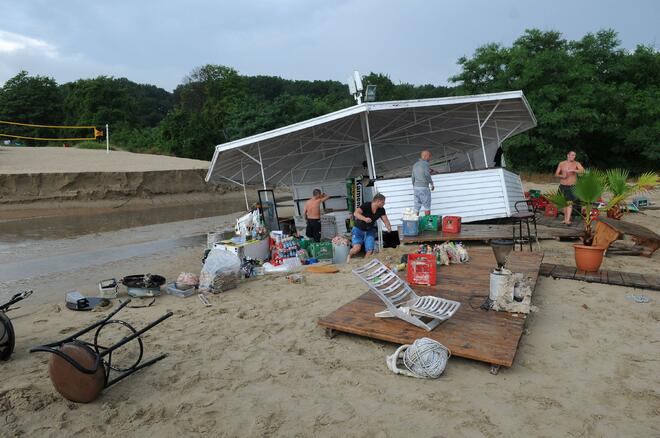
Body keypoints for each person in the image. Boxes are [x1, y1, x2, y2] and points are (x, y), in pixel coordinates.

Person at [347, 193, 392, 262]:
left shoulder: (381, 210)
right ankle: (349, 256)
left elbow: (385, 220)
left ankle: (364, 263)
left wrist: (389, 227)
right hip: (358, 229)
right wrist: (364, 219)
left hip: (369, 230)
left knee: (370, 250)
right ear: (377, 201)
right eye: (383, 202)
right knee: (357, 249)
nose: (384, 203)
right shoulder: (367, 205)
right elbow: (356, 213)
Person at [554, 150, 585, 225]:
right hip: (563, 186)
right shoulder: (562, 163)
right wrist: (562, 176)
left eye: (574, 155)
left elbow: (583, 171)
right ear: (568, 155)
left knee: (570, 203)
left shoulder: (576, 163)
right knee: (564, 203)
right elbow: (556, 174)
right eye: (572, 155)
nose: (573, 156)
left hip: (572, 186)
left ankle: (568, 220)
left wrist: (573, 170)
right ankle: (565, 219)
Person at [411, 150, 434, 216]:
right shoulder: (425, 164)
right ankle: (428, 224)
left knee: (416, 207)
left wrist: (414, 186)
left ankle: (415, 224)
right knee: (427, 206)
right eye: (429, 156)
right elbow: (427, 174)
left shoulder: (415, 164)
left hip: (416, 187)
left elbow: (412, 177)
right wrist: (431, 184)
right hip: (424, 187)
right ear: (425, 156)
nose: (430, 158)